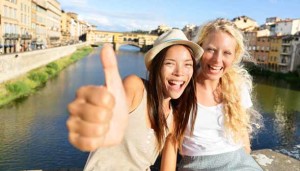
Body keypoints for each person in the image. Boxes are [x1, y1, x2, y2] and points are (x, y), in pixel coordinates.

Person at [67, 29, 204, 170]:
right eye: (170, 63)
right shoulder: (136, 87)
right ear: (155, 67)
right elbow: (115, 108)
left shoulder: (174, 119)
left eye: (188, 64)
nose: (180, 72)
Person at [160, 18, 263, 171]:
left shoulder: (238, 86)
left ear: (234, 57)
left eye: (227, 53)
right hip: (197, 165)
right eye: (211, 50)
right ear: (200, 48)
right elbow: (171, 141)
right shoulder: (182, 86)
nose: (217, 60)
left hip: (240, 162)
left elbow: (243, 135)